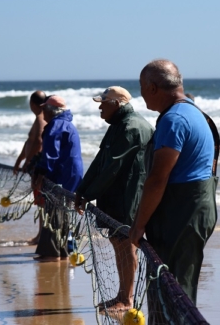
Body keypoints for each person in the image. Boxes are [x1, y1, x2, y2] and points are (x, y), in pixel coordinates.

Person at [129, 59, 220, 310]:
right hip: (194, 210)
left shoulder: (174, 120)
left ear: (153, 88)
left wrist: (138, 226)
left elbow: (158, 179)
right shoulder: (192, 110)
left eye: (141, 86)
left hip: (182, 215)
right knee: (176, 286)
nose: (141, 93)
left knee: (172, 288)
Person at [74, 86, 154, 312]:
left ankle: (126, 299)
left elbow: (111, 168)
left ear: (117, 104)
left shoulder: (131, 127)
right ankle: (121, 294)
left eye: (103, 102)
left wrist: (88, 195)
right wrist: (82, 190)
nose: (99, 107)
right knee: (119, 243)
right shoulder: (118, 125)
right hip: (116, 195)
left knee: (126, 245)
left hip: (128, 197)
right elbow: (101, 160)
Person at [32, 95, 83, 261]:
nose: (43, 113)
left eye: (44, 109)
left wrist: (40, 174)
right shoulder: (67, 124)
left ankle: (51, 253)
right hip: (71, 174)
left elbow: (50, 154)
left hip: (61, 174)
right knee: (63, 211)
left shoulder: (56, 124)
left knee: (53, 211)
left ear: (51, 111)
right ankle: (62, 251)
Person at [13, 90, 48, 244]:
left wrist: (28, 162)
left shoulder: (41, 120)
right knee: (39, 202)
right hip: (33, 165)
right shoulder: (39, 119)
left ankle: (41, 235)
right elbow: (29, 142)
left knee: (41, 201)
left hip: (37, 167)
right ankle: (40, 234)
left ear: (32, 104)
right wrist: (20, 160)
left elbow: (38, 143)